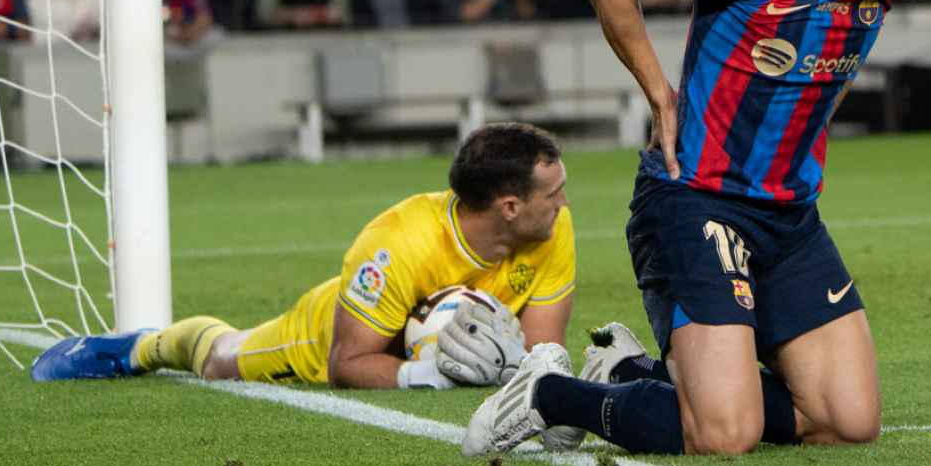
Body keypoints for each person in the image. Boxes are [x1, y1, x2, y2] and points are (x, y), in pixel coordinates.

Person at [464, 0, 931, 457]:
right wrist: (659, 91)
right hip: (696, 202)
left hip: (790, 217)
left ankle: (634, 375)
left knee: (847, 421)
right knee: (725, 433)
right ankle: (546, 395)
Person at [32, 123, 576, 390]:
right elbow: (348, 364)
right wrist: (429, 373)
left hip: (415, 340)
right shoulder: (395, 244)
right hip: (329, 334)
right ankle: (143, 347)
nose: (564, 203)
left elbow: (542, 348)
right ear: (509, 206)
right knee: (222, 361)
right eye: (552, 193)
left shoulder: (555, 229)